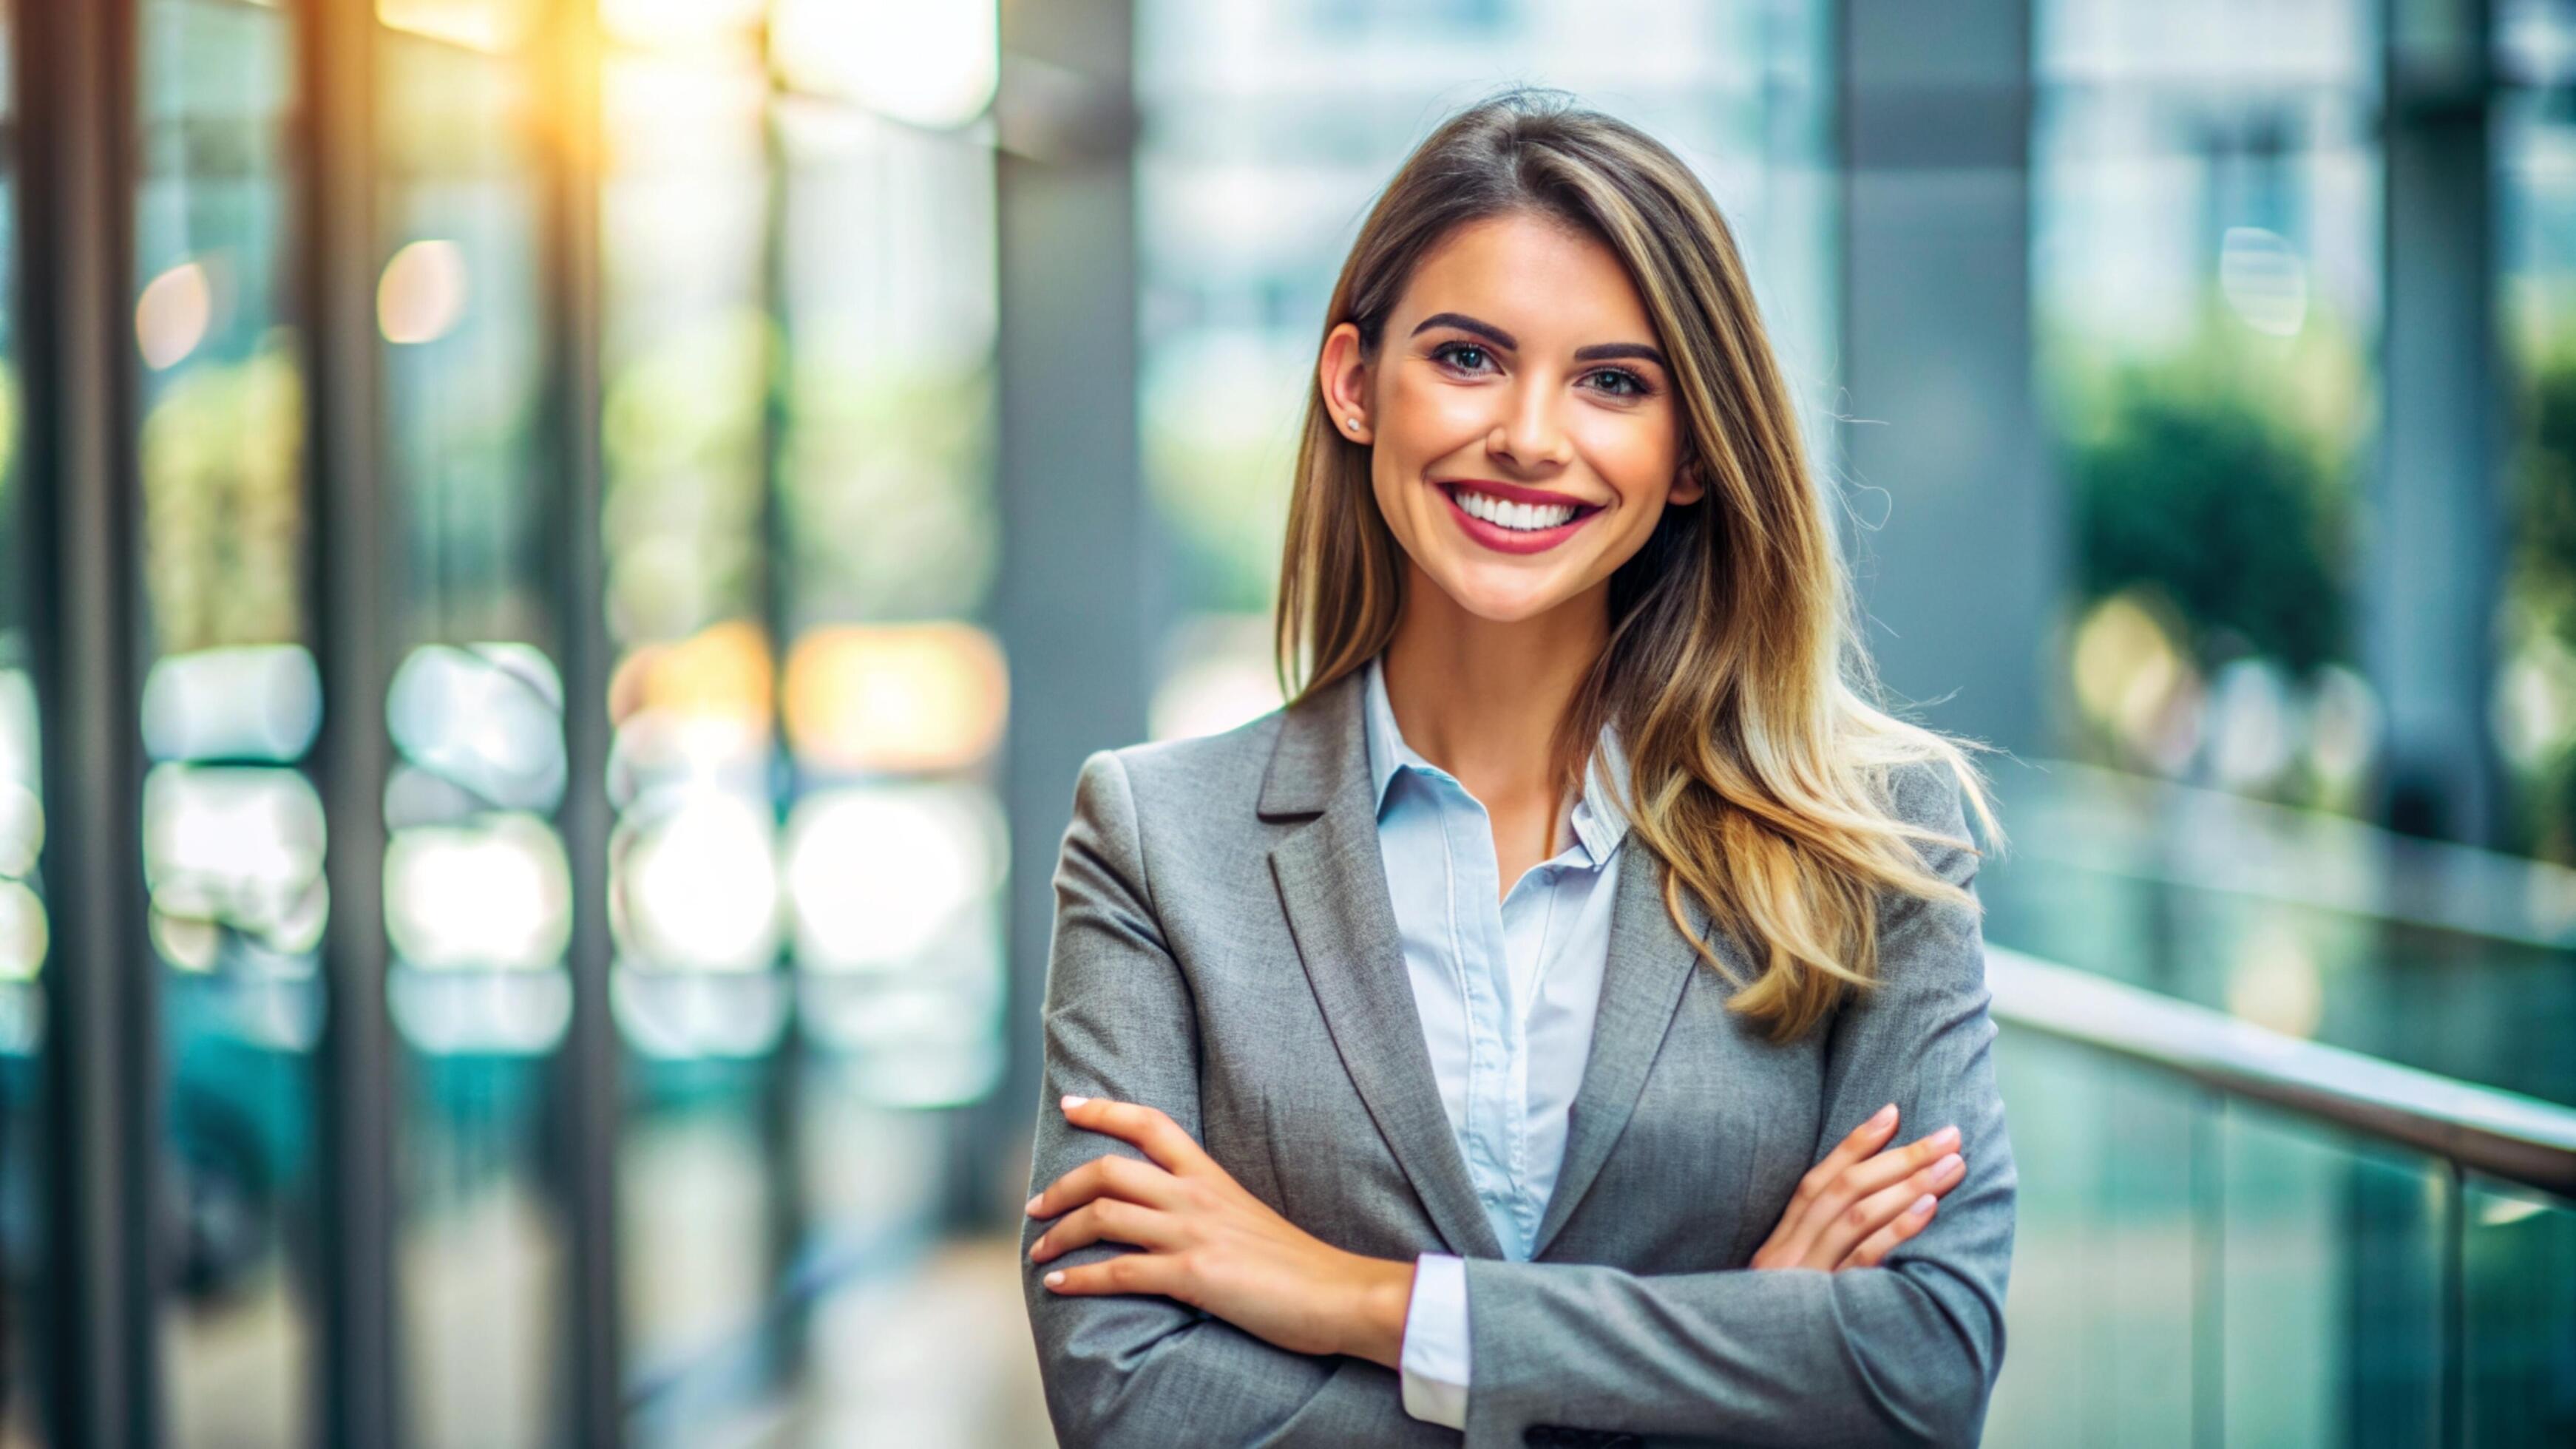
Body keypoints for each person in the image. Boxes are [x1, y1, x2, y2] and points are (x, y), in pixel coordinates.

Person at [1019, 87, 2016, 1449]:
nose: (1533, 437)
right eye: (1471, 357)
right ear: (1356, 384)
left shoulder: (1873, 837)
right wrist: (1737, 1346)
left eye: (1614, 382)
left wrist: (1359, 1301)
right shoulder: (1153, 840)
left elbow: (1922, 1367)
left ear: (1687, 456)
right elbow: (1126, 1400)